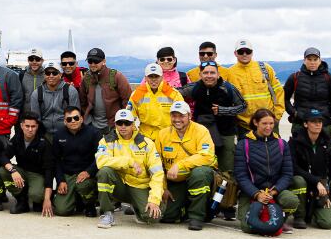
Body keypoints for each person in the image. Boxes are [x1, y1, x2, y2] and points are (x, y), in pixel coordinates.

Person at [181, 61, 246, 220]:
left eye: (212, 73)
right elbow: (175, 93)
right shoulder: (194, 88)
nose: (209, 76)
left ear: (218, 74)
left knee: (226, 170)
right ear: (200, 74)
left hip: (225, 132)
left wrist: (223, 110)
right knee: (202, 167)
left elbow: (243, 106)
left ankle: (227, 205)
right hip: (202, 134)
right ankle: (202, 204)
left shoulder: (228, 88)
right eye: (205, 73)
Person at [95, 108, 164, 228]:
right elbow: (101, 161)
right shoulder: (106, 141)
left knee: (152, 218)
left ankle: (136, 206)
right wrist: (129, 162)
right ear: (115, 124)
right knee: (104, 172)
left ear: (133, 125)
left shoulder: (147, 144)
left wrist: (154, 200)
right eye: (119, 123)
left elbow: (157, 173)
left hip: (139, 186)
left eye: (127, 123)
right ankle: (107, 213)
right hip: (119, 185)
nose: (123, 126)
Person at [233, 108, 299, 233]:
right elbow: (241, 176)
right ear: (256, 123)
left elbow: (287, 173)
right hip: (251, 192)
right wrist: (257, 194)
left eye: (271, 123)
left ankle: (281, 220)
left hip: (275, 191)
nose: (268, 127)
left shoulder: (282, 144)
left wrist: (273, 192)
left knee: (291, 200)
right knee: (248, 228)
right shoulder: (243, 144)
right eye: (264, 123)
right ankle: (261, 215)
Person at [155, 101, 217, 230]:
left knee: (199, 174)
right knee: (168, 216)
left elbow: (207, 156)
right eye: (174, 115)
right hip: (176, 181)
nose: (177, 119)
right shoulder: (162, 134)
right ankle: (185, 209)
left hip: (198, 176)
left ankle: (196, 217)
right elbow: (157, 164)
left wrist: (180, 164)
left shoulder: (201, 131)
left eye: (181, 116)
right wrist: (163, 187)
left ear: (189, 115)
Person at [289, 108, 331, 229]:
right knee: (298, 180)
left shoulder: (328, 143)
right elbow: (293, 167)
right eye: (313, 121)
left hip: (321, 188)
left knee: (327, 223)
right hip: (303, 184)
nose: (318, 124)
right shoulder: (294, 142)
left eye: (320, 121)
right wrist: (315, 181)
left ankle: (315, 210)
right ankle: (299, 215)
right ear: (306, 124)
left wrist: (329, 193)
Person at [50, 107, 101, 217]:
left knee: (83, 186)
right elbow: (56, 160)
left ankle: (90, 205)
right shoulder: (58, 135)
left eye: (76, 118)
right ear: (64, 122)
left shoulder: (94, 133)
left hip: (87, 175)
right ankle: (76, 200)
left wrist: (88, 172)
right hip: (68, 175)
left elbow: (100, 157)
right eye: (69, 119)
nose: (73, 121)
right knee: (61, 210)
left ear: (81, 119)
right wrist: (60, 180)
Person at [228, 39, 284, 136]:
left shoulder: (265, 69)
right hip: (244, 126)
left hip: (269, 123)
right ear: (235, 53)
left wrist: (277, 116)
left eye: (248, 51)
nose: (244, 54)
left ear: (252, 52)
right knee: (246, 151)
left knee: (274, 150)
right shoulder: (229, 73)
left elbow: (279, 92)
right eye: (241, 52)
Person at [1, 112, 53, 215]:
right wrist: (13, 170)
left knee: (36, 195)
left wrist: (47, 198)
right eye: (27, 126)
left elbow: (49, 170)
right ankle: (21, 200)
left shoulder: (44, 142)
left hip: (37, 175)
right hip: (22, 172)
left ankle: (39, 199)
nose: (30, 129)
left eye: (33, 126)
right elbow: (3, 156)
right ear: (21, 126)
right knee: (4, 170)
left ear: (37, 126)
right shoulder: (17, 138)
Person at [283, 47, 331, 128]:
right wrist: (295, 113)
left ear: (320, 61)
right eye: (309, 59)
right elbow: (284, 98)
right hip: (301, 123)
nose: (312, 62)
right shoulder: (295, 77)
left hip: (324, 123)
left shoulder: (328, 77)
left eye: (315, 59)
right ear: (304, 61)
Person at [80, 48, 133, 134]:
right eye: (90, 61)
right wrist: (88, 120)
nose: (93, 64)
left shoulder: (116, 76)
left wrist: (122, 122)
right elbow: (83, 101)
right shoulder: (86, 79)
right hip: (92, 127)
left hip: (113, 127)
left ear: (104, 61)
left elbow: (128, 100)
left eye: (96, 61)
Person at [126, 63, 184, 140]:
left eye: (156, 76)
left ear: (162, 77)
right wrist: (136, 134)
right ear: (145, 78)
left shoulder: (173, 94)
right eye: (150, 76)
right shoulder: (137, 94)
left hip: (168, 136)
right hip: (145, 137)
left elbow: (182, 116)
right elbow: (129, 116)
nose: (153, 79)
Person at [26, 61, 81, 137]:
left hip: (67, 133)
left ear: (61, 74)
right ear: (44, 75)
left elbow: (76, 117)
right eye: (48, 73)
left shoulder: (70, 91)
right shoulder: (37, 93)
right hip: (45, 134)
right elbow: (36, 118)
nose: (51, 76)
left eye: (54, 73)